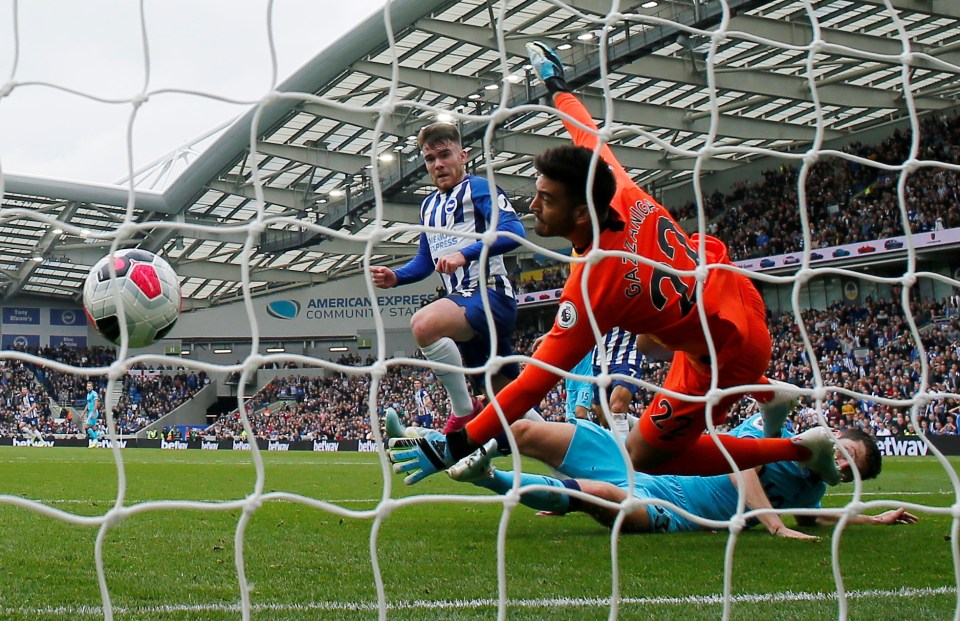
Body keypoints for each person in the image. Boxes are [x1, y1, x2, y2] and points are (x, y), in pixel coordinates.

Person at [387, 42, 840, 486]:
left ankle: (803, 447)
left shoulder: (593, 286)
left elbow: (531, 386)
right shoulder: (616, 187)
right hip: (730, 291)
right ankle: (768, 392)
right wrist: (555, 85)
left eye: (546, 199)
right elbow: (583, 129)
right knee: (646, 341)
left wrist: (457, 443)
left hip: (727, 353)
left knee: (650, 456)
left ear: (582, 213)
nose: (534, 204)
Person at [446, 413, 917, 537]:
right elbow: (739, 466)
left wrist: (874, 521)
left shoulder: (810, 488)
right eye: (846, 452)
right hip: (646, 460)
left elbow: (815, 519)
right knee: (525, 429)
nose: (840, 463)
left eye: (848, 469)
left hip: (680, 508)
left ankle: (490, 478)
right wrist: (772, 525)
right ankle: (431, 448)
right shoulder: (779, 434)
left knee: (603, 498)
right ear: (834, 435)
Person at [370, 122, 527, 433]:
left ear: (463, 155)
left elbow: (514, 231)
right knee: (512, 412)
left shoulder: (480, 188)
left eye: (445, 155)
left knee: (423, 324)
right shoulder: (429, 206)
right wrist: (396, 277)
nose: (438, 164)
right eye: (430, 159)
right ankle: (577, 469)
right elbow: (425, 261)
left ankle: (462, 410)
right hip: (465, 312)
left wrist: (464, 255)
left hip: (489, 297)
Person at [83, 381, 101, 445]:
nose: (89, 387)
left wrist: (93, 413)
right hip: (90, 412)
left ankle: (95, 439)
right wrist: (83, 413)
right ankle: (97, 440)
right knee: (93, 428)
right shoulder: (88, 394)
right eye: (88, 386)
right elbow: (88, 404)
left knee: (86, 427)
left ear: (92, 387)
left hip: (93, 412)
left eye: (90, 386)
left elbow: (96, 403)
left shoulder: (94, 394)